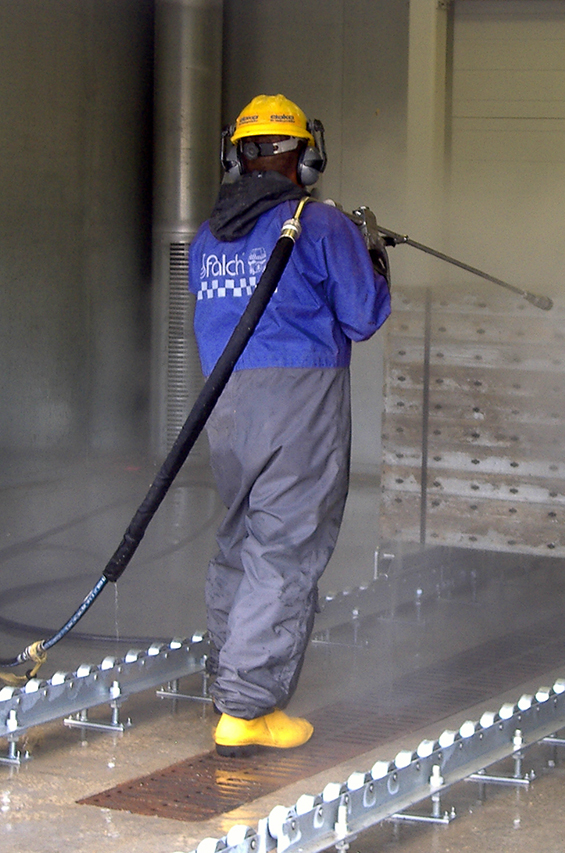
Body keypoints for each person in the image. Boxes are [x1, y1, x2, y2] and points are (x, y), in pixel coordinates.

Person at [188, 94, 391, 757]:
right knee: (287, 545)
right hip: (298, 401)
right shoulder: (320, 223)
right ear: (306, 157)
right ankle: (247, 709)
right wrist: (374, 254)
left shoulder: (207, 237)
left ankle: (228, 681)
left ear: (235, 155)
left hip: (227, 404)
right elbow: (363, 316)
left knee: (243, 537)